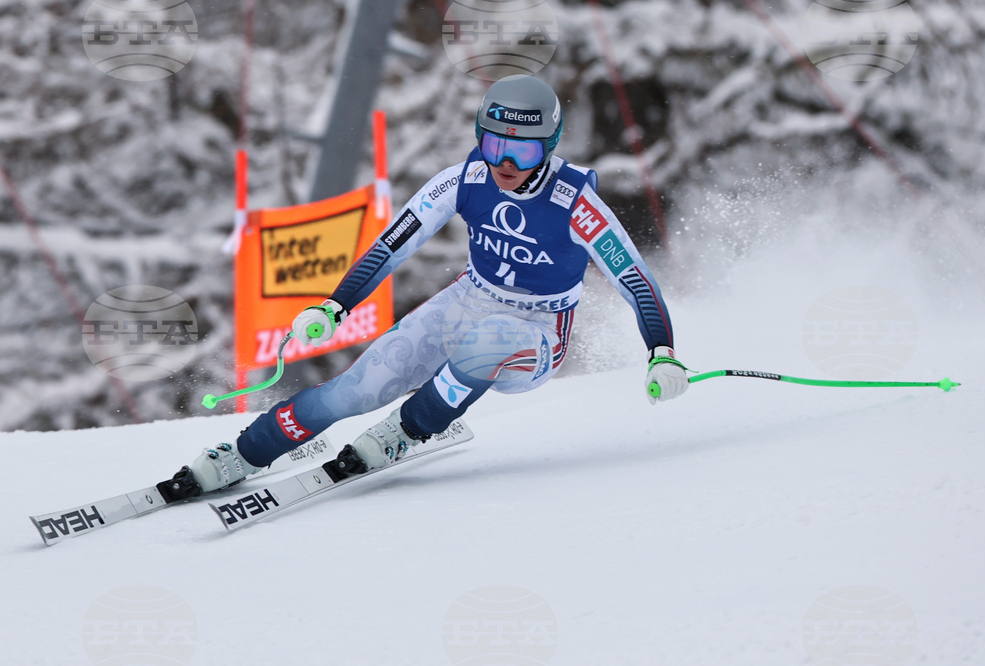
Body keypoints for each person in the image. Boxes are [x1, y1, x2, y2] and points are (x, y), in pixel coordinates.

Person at [175, 75, 689, 495]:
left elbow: (638, 283)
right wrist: (334, 307)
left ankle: (408, 428)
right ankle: (244, 454)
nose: (505, 165)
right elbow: (391, 245)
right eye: (493, 145)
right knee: (353, 392)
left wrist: (661, 352)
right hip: (468, 299)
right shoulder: (464, 179)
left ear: (549, 148)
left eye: (524, 154)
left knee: (486, 346)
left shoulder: (576, 202)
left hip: (537, 331)